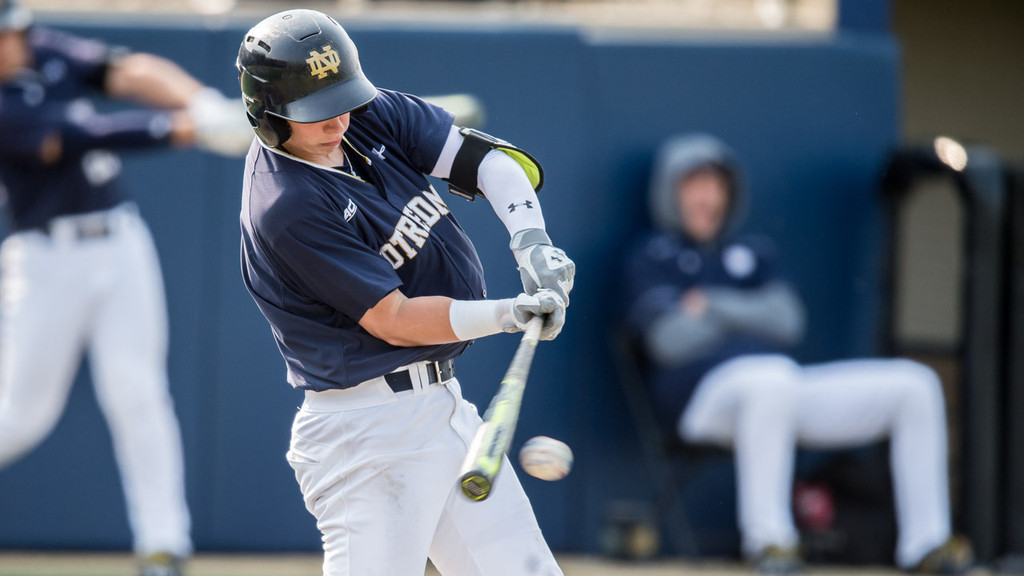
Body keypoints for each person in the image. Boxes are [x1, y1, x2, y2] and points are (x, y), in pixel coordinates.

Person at [235, 9, 575, 576]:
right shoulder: (285, 204)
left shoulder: (362, 113)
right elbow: (394, 319)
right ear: (268, 115)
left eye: (340, 100)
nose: (336, 121)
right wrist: (508, 314)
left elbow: (486, 161)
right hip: (365, 438)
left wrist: (531, 242)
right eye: (316, 112)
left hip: (441, 410)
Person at [621, 133, 974, 575]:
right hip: (703, 401)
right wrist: (751, 311)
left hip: (780, 389)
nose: (707, 197)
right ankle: (770, 543)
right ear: (670, 191)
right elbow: (669, 341)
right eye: (695, 185)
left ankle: (927, 544)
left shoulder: (752, 253)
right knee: (771, 379)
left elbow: (787, 321)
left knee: (914, 384)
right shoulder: (651, 256)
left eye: (716, 186)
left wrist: (710, 305)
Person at [0, 2, 253, 575]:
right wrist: (184, 129)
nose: (16, 43)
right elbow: (79, 134)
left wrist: (200, 103)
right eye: (4, 37)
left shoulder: (39, 48)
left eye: (16, 30)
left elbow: (130, 71)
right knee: (19, 417)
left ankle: (163, 546)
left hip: (120, 242)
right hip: (46, 260)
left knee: (138, 394)